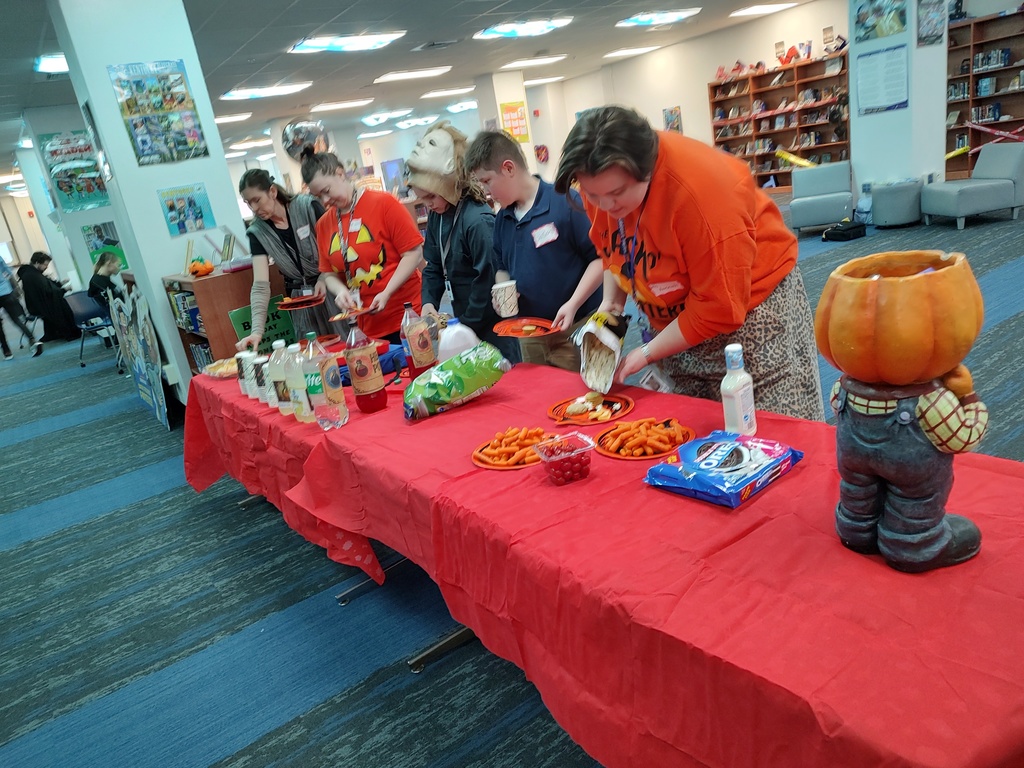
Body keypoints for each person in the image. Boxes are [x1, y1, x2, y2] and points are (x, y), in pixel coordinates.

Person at [553, 106, 823, 421]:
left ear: (648, 168)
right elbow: (614, 244)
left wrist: (645, 354)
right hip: (677, 317)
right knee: (695, 431)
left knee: (769, 432)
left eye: (616, 193)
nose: (605, 205)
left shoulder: (703, 194)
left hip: (754, 318)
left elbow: (720, 306)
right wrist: (610, 306)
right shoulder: (600, 181)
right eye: (592, 195)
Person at [466, 130, 603, 371]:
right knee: (540, 398)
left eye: (487, 181)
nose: (486, 191)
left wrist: (573, 303)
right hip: (529, 333)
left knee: (581, 399)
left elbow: (599, 260)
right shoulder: (502, 219)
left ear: (508, 169)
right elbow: (502, 267)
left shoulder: (565, 201)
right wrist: (503, 292)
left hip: (575, 330)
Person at [404, 121, 516, 359]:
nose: (429, 205)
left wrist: (465, 326)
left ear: (450, 185)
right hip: (462, 323)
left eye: (432, 196)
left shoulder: (477, 221)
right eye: (422, 199)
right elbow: (433, 266)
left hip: (490, 327)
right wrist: (429, 303)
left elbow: (486, 281)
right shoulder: (438, 216)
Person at [301, 146, 424, 344]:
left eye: (326, 191)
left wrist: (386, 293)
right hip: (365, 326)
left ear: (340, 174)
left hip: (406, 317)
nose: (325, 200)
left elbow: (413, 254)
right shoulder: (324, 225)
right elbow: (329, 273)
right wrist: (340, 291)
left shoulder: (384, 204)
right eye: (318, 196)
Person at [236, 168, 342, 351]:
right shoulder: (257, 233)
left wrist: (324, 277)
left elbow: (336, 249)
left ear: (272, 192)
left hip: (332, 290)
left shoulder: (308, 206)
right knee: (312, 356)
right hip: (300, 303)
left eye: (257, 200)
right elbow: (260, 285)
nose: (254, 209)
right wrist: (257, 331)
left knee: (346, 345)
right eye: (248, 203)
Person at [18, 252, 80, 343]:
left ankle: (55, 333)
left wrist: (60, 284)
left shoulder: (32, 273)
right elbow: (48, 292)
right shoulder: (32, 276)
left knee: (60, 302)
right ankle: (69, 332)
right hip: (38, 306)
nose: (46, 267)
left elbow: (48, 287)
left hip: (38, 304)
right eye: (45, 265)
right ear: (37, 263)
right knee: (61, 305)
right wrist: (64, 290)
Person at [0, 258, 42, 358]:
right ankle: (32, 340)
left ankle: (7, 351)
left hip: (6, 292)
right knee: (17, 320)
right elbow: (9, 273)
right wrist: (16, 289)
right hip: (6, 292)